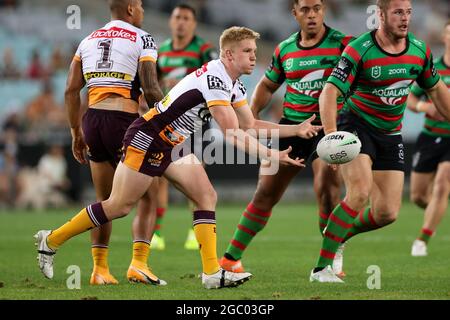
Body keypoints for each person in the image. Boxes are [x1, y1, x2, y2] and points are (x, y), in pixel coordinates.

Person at [35, 26, 322, 289]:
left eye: (254, 52)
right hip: (148, 137)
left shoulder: (234, 84)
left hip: (170, 143)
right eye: (247, 51)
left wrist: (297, 128)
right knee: (119, 206)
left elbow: (250, 125)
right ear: (229, 54)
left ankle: (211, 274)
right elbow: (233, 134)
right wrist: (273, 155)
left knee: (206, 195)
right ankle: (51, 240)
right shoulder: (215, 78)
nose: (253, 57)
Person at [311, 0, 450, 283]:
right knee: (360, 192)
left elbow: (436, 89)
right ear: (381, 15)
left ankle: (338, 234)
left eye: (409, 12)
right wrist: (331, 135)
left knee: (387, 213)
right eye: (398, 12)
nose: (405, 18)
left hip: (390, 133)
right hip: (356, 125)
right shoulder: (360, 50)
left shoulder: (419, 50)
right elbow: (328, 92)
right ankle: (322, 269)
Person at [219, 0, 353, 277]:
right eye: (305, 9)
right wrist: (251, 116)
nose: (312, 14)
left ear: (324, 10)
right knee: (265, 193)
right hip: (291, 128)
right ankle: (231, 259)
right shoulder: (285, 49)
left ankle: (330, 261)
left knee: (327, 188)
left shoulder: (343, 45)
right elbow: (268, 85)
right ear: (295, 13)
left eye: (317, 8)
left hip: (329, 127)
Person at [64, 0, 166, 285]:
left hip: (93, 121)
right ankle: (139, 264)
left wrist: (75, 131)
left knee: (104, 201)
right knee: (150, 194)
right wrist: (170, 115)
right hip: (123, 122)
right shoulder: (143, 38)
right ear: (131, 8)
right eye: (142, 6)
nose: (143, 12)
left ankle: (99, 269)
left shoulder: (88, 39)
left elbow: (71, 90)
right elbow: (150, 87)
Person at [152, 3, 218, 251]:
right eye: (177, 17)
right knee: (159, 176)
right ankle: (157, 232)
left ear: (194, 23)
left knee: (195, 177)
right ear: (171, 21)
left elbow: (214, 81)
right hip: (168, 123)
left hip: (197, 124)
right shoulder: (163, 51)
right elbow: (154, 84)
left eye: (186, 18)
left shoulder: (203, 50)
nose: (181, 22)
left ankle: (194, 231)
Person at [408, 21, 450, 257]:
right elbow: (410, 100)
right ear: (444, 38)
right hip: (430, 136)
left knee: (443, 182)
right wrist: (425, 106)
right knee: (418, 196)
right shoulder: (432, 69)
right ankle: (436, 210)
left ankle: (422, 239)